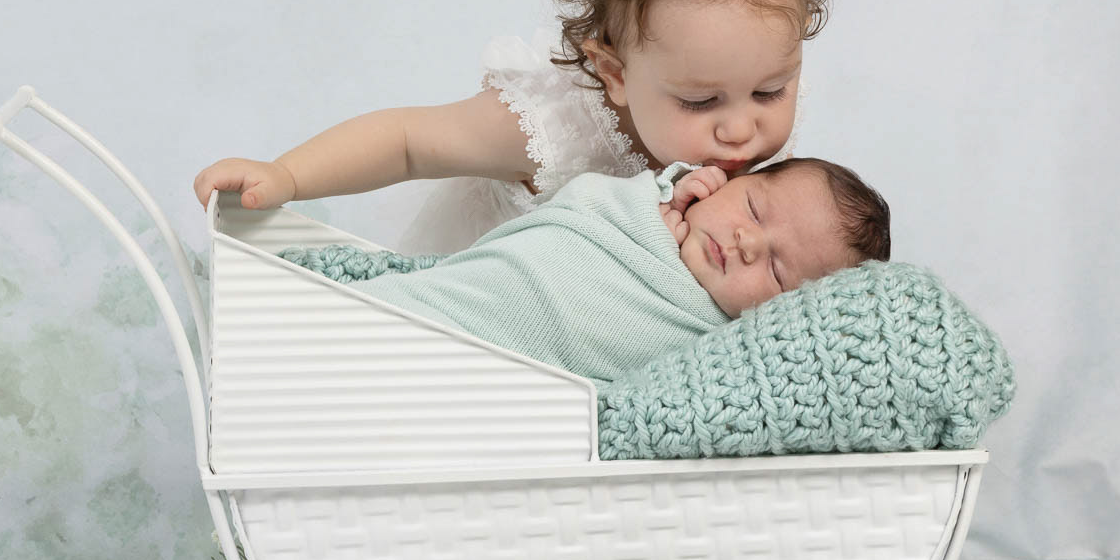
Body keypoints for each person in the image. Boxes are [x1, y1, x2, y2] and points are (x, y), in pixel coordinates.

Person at [194, 0, 839, 254]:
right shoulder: (553, 129)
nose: (741, 128)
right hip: (497, 316)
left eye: (772, 90)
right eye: (700, 101)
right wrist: (287, 176)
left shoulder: (740, 107)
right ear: (613, 72)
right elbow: (407, 141)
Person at [282, 158, 890, 385]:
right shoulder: (642, 205)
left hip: (470, 374)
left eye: (779, 271)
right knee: (348, 318)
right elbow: (578, 209)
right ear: (723, 180)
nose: (747, 242)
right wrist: (667, 197)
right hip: (438, 300)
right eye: (753, 208)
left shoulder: (718, 344)